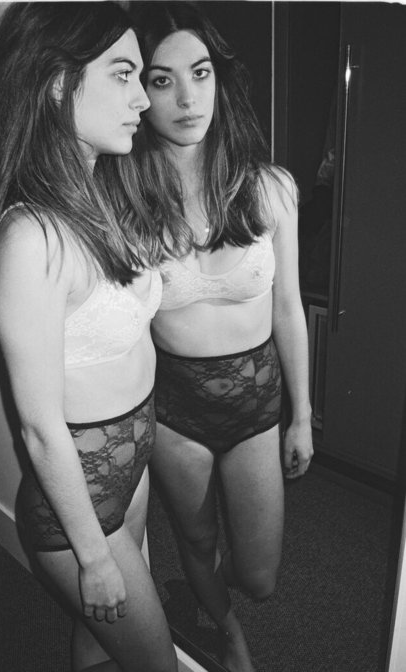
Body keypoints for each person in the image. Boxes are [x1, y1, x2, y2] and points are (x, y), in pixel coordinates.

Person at [0, 3, 178, 671]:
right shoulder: (32, 238)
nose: (143, 98)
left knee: (99, 641)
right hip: (78, 501)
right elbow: (38, 427)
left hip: (128, 464)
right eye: (122, 74)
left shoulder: (103, 197)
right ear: (58, 84)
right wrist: (93, 558)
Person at [130, 2, 314, 671]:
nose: (187, 98)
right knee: (196, 540)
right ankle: (223, 626)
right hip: (174, 409)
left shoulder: (272, 188)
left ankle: (219, 593)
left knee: (259, 573)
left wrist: (303, 416)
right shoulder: (123, 200)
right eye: (162, 80)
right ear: (138, 93)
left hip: (256, 405)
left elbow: (288, 308)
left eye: (200, 72)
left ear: (219, 78)